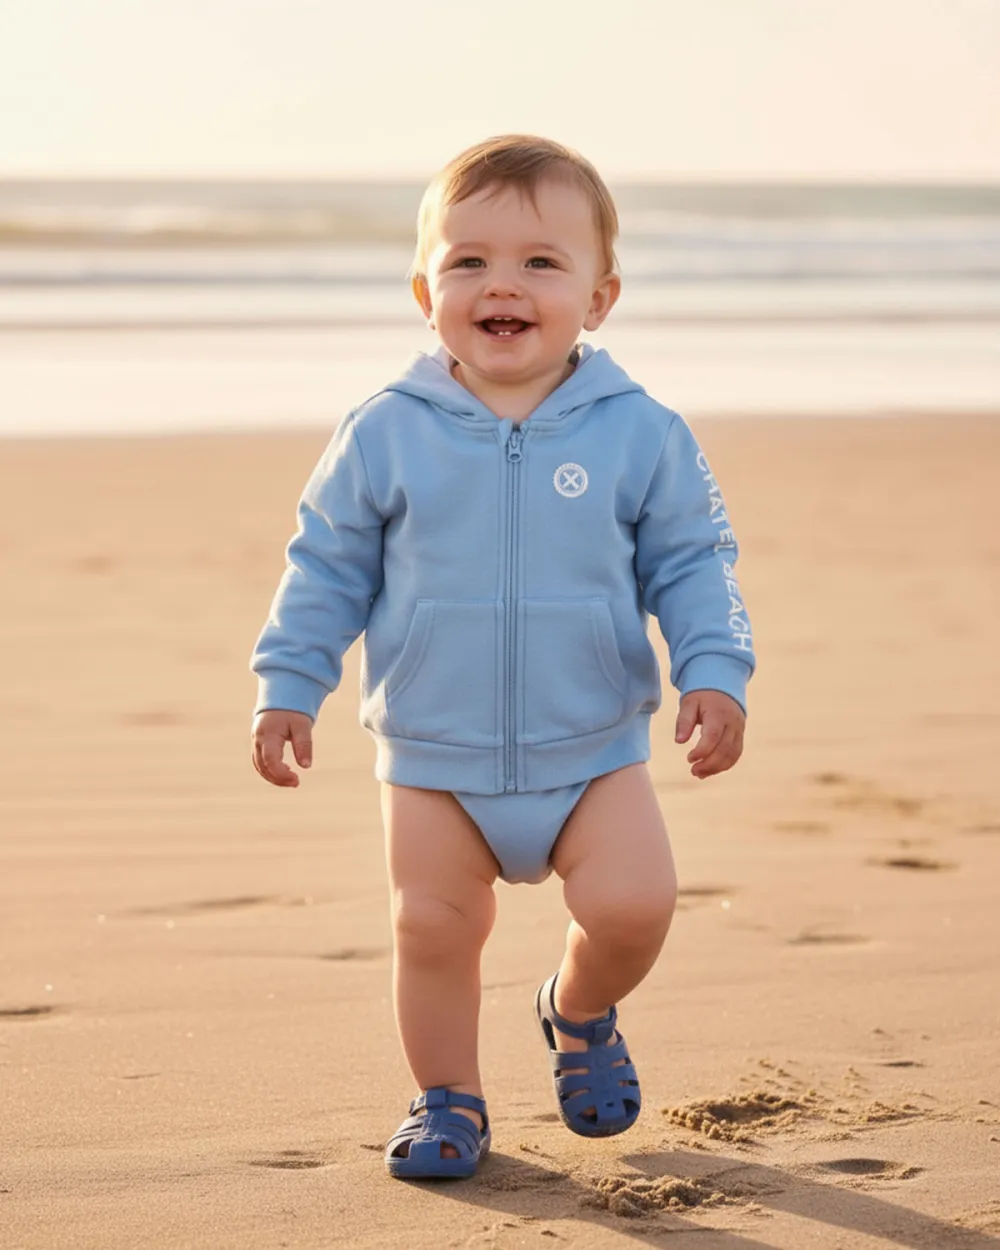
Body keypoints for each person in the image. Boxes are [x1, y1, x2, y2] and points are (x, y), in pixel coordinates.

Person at [250, 135, 755, 1180]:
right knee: (432, 926)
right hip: (434, 748)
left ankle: (576, 1009)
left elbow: (694, 561)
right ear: (423, 289)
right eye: (468, 260)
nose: (501, 285)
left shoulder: (640, 432)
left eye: (539, 261)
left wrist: (713, 669)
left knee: (631, 905)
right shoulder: (385, 430)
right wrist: (290, 682)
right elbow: (325, 565)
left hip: (591, 743)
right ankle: (448, 1098)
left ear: (599, 296)